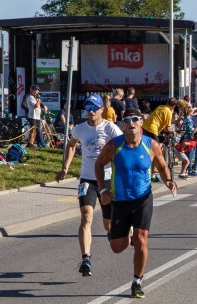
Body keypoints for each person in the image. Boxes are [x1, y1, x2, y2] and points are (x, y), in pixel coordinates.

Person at [95, 108, 177, 299]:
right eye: (127, 120)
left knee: (141, 240)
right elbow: (98, 165)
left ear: (141, 122)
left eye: (135, 119)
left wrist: (169, 181)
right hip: (120, 201)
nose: (131, 123)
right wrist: (103, 190)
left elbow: (162, 166)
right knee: (117, 248)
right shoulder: (114, 146)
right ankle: (122, 234)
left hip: (143, 199)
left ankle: (137, 281)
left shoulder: (151, 145)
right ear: (123, 124)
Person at [55, 94, 123, 277]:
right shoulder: (79, 129)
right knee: (86, 217)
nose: (91, 111)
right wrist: (65, 168)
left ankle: (110, 232)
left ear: (102, 109)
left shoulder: (111, 128)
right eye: (88, 107)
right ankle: (86, 258)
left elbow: (123, 148)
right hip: (87, 180)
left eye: (94, 107)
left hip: (108, 180)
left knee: (107, 223)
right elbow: (70, 145)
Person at [141, 97, 177, 181]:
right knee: (156, 152)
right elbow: (167, 128)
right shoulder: (168, 112)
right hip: (152, 130)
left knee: (151, 150)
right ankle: (152, 174)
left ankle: (152, 172)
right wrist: (173, 132)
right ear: (174, 106)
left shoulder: (160, 107)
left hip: (145, 128)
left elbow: (159, 121)